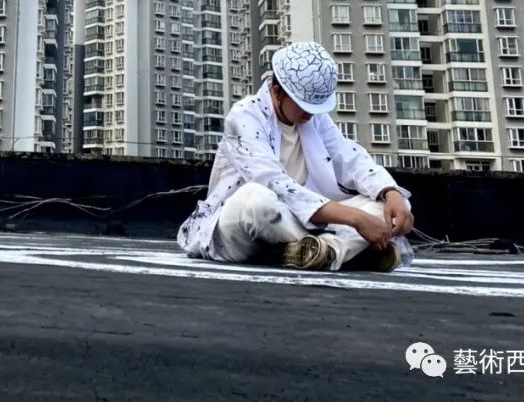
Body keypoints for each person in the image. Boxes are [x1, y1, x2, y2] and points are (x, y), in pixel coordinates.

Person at [178, 40, 415, 272]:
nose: (311, 114)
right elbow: (276, 185)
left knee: (390, 204)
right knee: (255, 198)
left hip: (302, 222)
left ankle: (322, 252)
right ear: (277, 91)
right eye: (304, 106)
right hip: (247, 229)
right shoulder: (244, 117)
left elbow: (350, 157)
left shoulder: (315, 119)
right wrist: (356, 219)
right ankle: (346, 251)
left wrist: (389, 192)